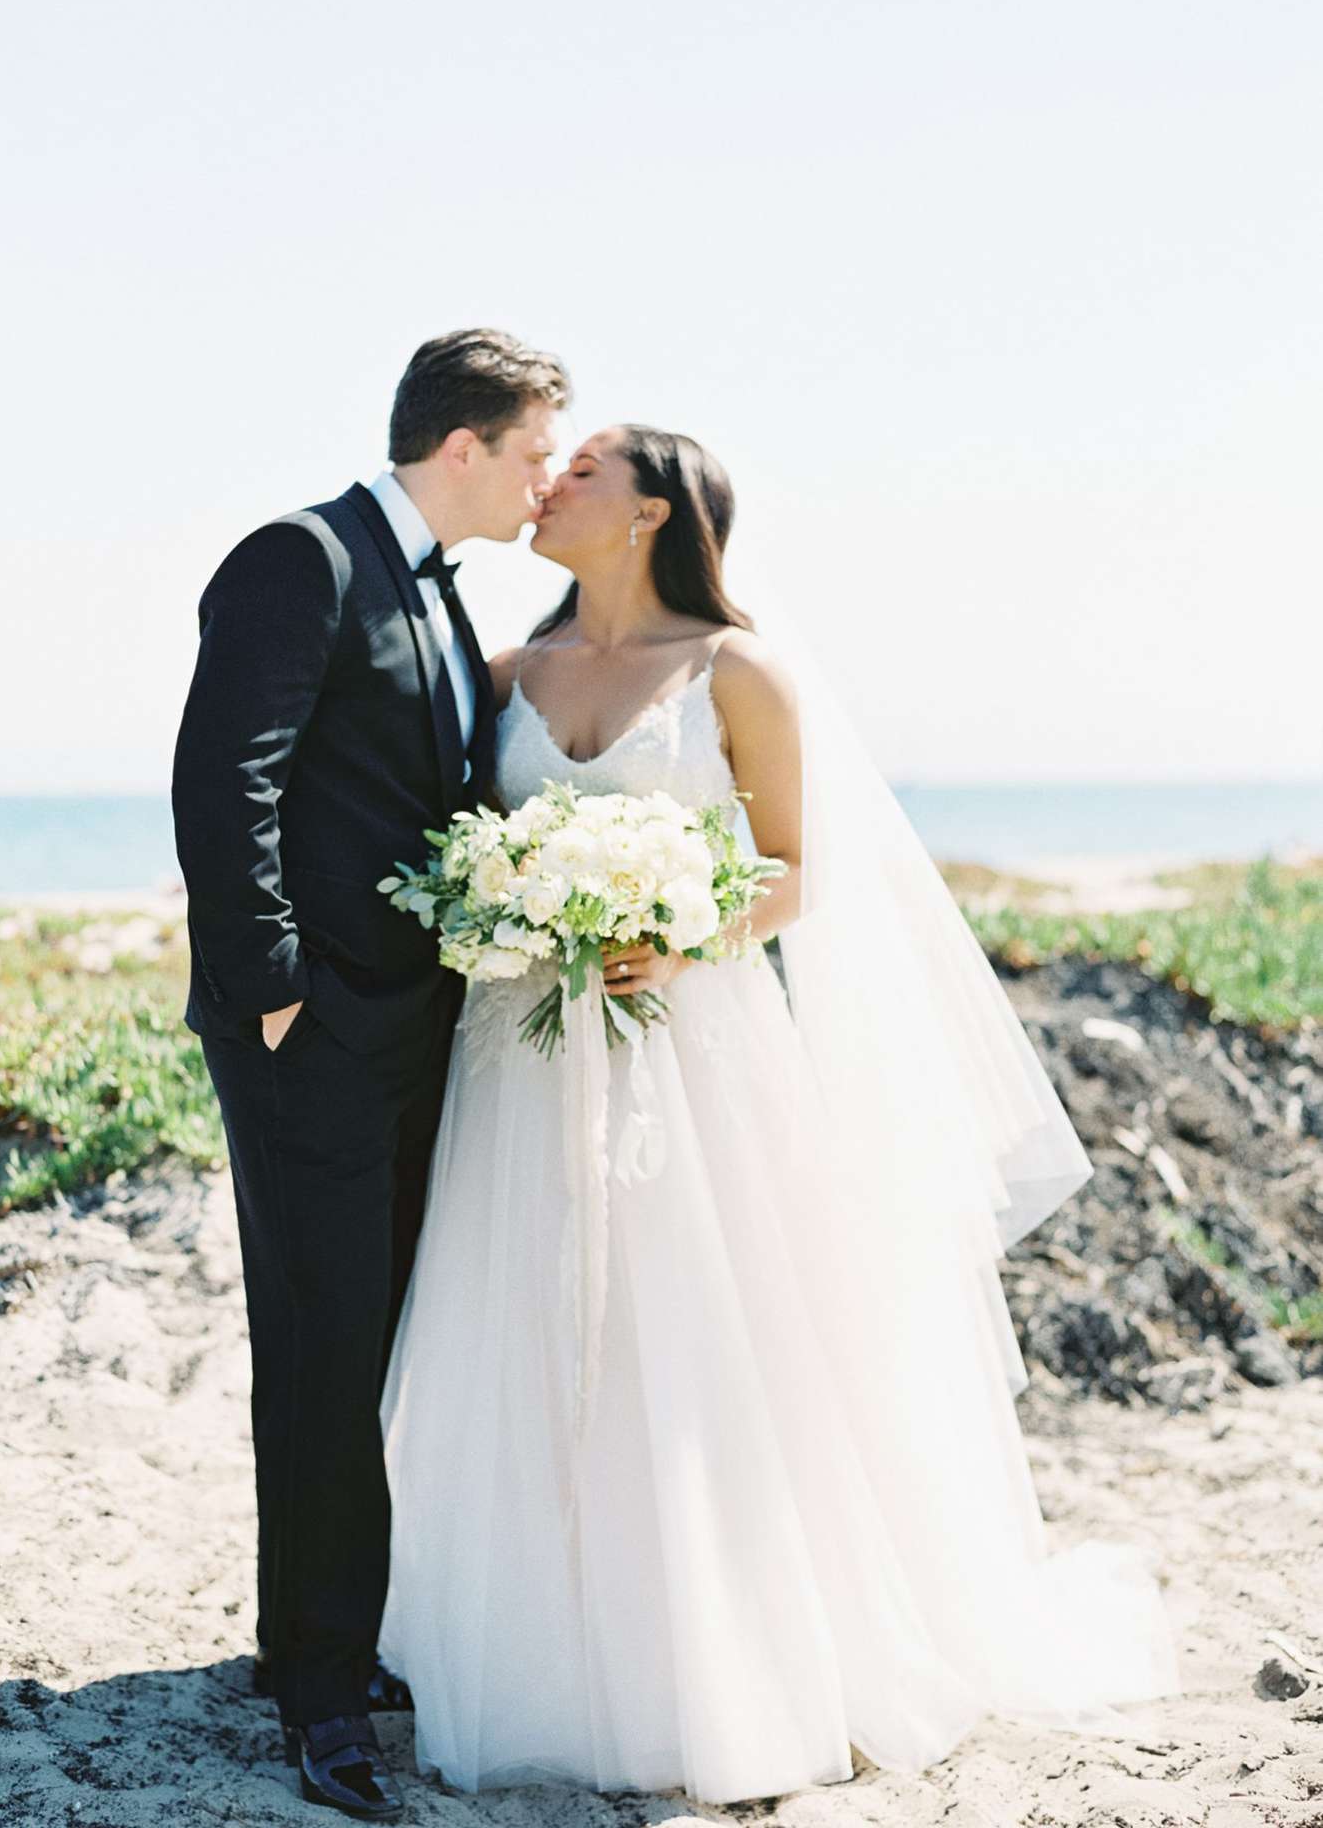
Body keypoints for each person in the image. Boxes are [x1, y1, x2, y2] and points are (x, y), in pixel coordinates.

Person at [376, 425, 1183, 1804]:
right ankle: (532, 1627)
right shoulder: (509, 672)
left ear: (649, 512)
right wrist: (506, 903)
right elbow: (453, 843)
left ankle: (727, 1645)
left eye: (580, 471)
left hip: (690, 1051)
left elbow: (796, 869)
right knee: (521, 1320)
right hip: (519, 1056)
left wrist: (679, 936)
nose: (547, 484)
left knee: (693, 1329)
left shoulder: (731, 670)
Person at [169, 328, 570, 1819]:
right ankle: (323, 1691)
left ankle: (317, 1640)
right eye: (534, 453)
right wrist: (274, 995)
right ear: (463, 446)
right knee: (328, 1351)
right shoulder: (307, 558)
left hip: (416, 1029)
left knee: (381, 1346)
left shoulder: (441, 596)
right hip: (319, 1037)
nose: (543, 483)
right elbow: (229, 776)